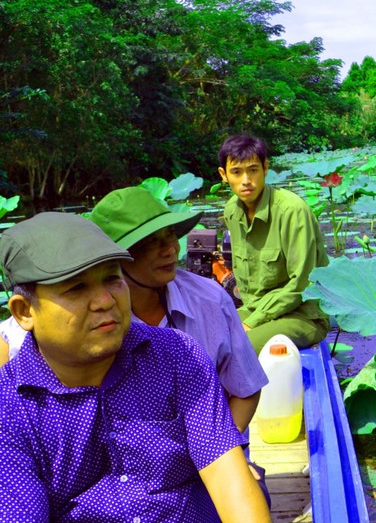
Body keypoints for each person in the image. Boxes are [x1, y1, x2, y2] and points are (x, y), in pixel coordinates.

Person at [0, 212, 271, 522]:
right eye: (76, 288)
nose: (104, 301)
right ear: (24, 312)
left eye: (112, 279)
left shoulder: (177, 354)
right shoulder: (10, 409)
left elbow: (227, 477)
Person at [89, 186, 267, 433]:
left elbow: (246, 388)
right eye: (152, 241)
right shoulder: (95, 319)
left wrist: (222, 455)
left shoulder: (211, 300)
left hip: (217, 447)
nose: (171, 249)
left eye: (170, 234)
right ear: (117, 257)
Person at [218, 134, 329, 353]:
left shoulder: (292, 211)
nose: (246, 181)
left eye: (253, 170)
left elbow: (303, 285)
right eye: (237, 172)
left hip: (303, 315)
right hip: (256, 308)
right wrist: (252, 318)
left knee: (241, 348)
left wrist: (252, 323)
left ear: (265, 168)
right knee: (205, 336)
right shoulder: (231, 211)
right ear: (224, 175)